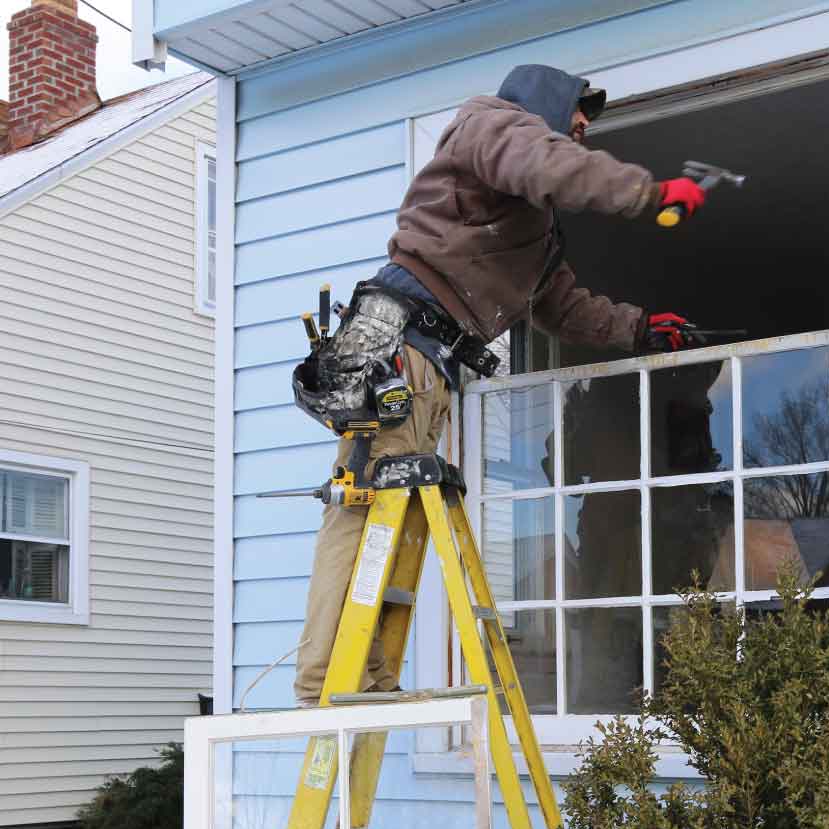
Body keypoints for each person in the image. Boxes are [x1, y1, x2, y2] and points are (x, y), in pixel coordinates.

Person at [293, 63, 712, 705]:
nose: (581, 130)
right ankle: (328, 679)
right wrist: (651, 193)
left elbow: (561, 306)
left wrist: (640, 329)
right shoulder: (489, 126)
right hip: (398, 347)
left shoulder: (528, 226)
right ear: (542, 103)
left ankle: (367, 676)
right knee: (364, 507)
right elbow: (547, 163)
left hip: (429, 365)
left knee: (393, 513)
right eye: (577, 115)